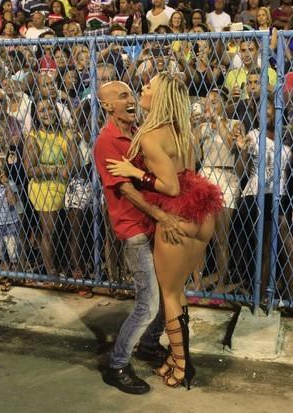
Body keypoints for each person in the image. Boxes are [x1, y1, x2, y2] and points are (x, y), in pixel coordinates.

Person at [106, 73, 223, 389]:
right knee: (179, 291)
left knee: (169, 295)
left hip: (177, 216)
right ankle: (176, 358)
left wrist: (134, 172)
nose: (142, 89)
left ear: (159, 98)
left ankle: (184, 367)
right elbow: (186, 175)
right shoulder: (183, 131)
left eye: (148, 87)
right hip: (201, 212)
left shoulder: (151, 135)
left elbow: (170, 186)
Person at [93, 81, 181, 395]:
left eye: (131, 94)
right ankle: (117, 364)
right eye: (122, 96)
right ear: (106, 106)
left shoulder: (138, 132)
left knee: (162, 293)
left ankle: (146, 344)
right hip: (135, 230)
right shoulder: (107, 140)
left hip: (151, 225)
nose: (130, 100)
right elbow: (126, 190)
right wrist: (161, 215)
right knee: (148, 301)